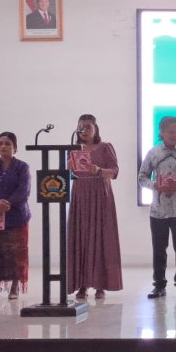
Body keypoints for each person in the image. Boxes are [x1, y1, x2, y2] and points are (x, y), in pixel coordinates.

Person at [138, 116, 176, 299]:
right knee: (159, 249)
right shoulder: (153, 153)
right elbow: (142, 178)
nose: (175, 135)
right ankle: (159, 285)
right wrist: (155, 185)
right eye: (171, 132)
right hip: (158, 211)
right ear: (162, 133)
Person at [67, 114, 123, 300]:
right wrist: (67, 167)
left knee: (101, 238)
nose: (84, 131)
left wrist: (98, 170)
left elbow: (115, 172)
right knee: (81, 237)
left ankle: (101, 285)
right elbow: (65, 175)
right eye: (81, 127)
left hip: (100, 196)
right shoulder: (73, 149)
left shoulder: (105, 147)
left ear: (95, 129)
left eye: (88, 127)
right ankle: (81, 285)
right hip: (80, 196)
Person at [0, 132, 31, 300]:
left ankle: (15, 287)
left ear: (15, 147)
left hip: (16, 216)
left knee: (16, 251)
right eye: (0, 143)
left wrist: (6, 204)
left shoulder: (22, 167)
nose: (3, 146)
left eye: (7, 143)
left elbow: (24, 190)